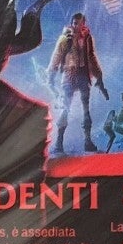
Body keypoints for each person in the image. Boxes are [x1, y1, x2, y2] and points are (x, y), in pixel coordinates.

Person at [47, 10, 104, 153]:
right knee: (66, 108)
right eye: (74, 23)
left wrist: (99, 75)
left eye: (78, 23)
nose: (75, 25)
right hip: (69, 75)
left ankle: (87, 141)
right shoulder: (65, 38)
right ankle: (59, 143)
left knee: (86, 109)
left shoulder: (87, 38)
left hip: (83, 75)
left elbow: (92, 57)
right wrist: (51, 76)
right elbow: (56, 56)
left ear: (83, 24)